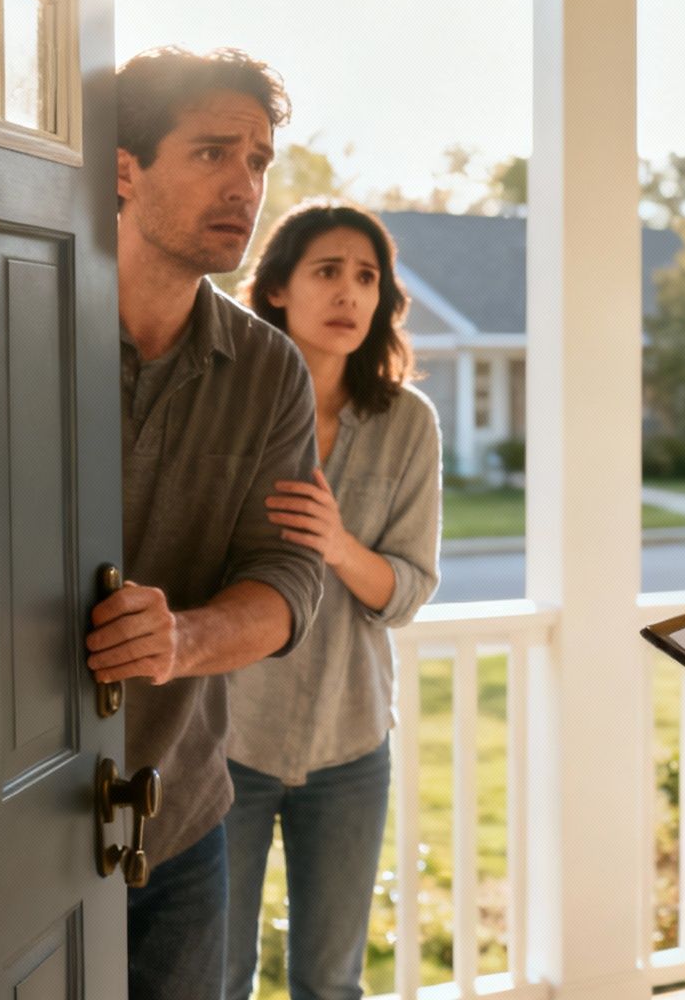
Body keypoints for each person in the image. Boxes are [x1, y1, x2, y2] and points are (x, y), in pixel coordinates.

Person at [88, 45, 325, 1000]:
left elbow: (289, 581)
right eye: (212, 153)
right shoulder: (18, 330)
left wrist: (180, 639)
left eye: (259, 161)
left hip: (175, 819)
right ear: (123, 167)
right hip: (9, 818)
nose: (244, 184)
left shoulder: (271, 371)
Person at [222, 201, 444, 1000]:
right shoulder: (229, 406)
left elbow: (409, 590)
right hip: (227, 738)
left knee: (330, 982)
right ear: (277, 287)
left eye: (366, 277)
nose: (350, 293)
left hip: (350, 744)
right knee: (219, 977)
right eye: (327, 272)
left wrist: (339, 543)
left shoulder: (409, 423)